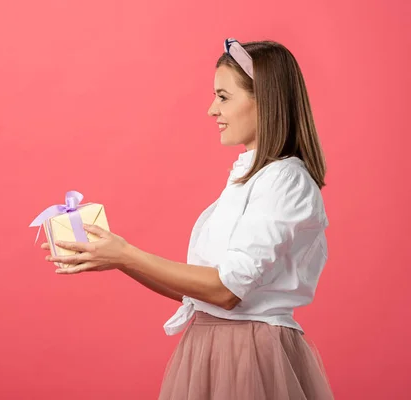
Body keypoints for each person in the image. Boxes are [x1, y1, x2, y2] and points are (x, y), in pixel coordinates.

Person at [42, 38, 334, 399]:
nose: (213, 109)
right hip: (214, 346)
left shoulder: (284, 181)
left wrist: (126, 254)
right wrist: (116, 258)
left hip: (248, 356)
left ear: (265, 102)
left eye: (223, 96)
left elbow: (225, 291)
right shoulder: (251, 179)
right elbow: (201, 294)